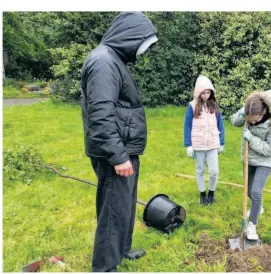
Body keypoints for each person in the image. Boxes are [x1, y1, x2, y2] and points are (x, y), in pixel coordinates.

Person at [80, 12, 158, 272]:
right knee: (113, 211)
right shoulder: (103, 62)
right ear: (130, 35)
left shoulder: (112, 60)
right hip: (114, 152)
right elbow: (101, 116)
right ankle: (104, 266)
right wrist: (118, 156)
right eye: (142, 43)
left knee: (124, 206)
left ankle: (122, 250)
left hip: (123, 149)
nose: (141, 51)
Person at [230, 88, 271, 240]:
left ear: (263, 113)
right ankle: (258, 207)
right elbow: (234, 121)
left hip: (265, 161)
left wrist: (251, 138)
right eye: (250, 120)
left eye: (254, 120)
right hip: (248, 158)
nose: (252, 122)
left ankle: (252, 226)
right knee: (249, 192)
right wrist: (242, 114)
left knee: (256, 192)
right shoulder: (249, 111)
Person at [184, 75, 225, 206]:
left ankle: (211, 192)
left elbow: (220, 125)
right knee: (200, 170)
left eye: (208, 93)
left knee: (214, 171)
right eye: (203, 93)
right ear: (198, 92)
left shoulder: (214, 106)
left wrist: (221, 142)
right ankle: (202, 193)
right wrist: (188, 145)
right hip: (199, 144)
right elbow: (187, 125)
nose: (206, 95)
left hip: (213, 143)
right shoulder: (192, 106)